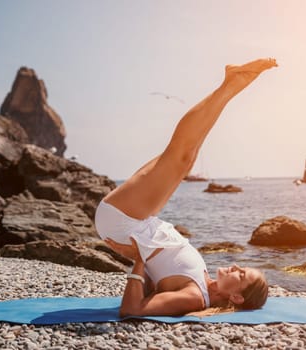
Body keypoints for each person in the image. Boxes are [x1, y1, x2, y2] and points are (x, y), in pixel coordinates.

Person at [94, 58, 278, 317]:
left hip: (124, 222)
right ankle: (231, 84)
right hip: (138, 221)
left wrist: (138, 259)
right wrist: (145, 264)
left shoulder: (194, 297)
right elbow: (157, 277)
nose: (236, 266)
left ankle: (231, 84)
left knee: (180, 154)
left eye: (242, 274)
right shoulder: (202, 281)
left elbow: (131, 310)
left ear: (236, 296)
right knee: (187, 158)